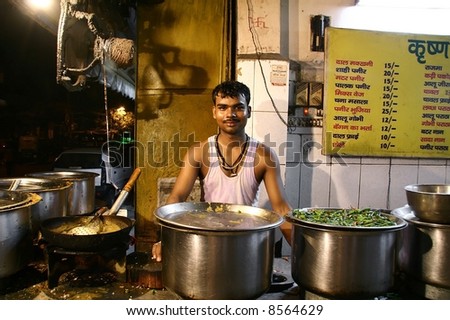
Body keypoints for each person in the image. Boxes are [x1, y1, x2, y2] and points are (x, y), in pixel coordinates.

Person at [152, 80, 292, 261]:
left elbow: (281, 208)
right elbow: (177, 198)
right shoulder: (199, 152)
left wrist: (303, 252)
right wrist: (166, 238)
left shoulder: (264, 155)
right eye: (223, 108)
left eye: (238, 107)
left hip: (247, 243)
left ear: (248, 111)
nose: (230, 114)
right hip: (207, 241)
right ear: (214, 112)